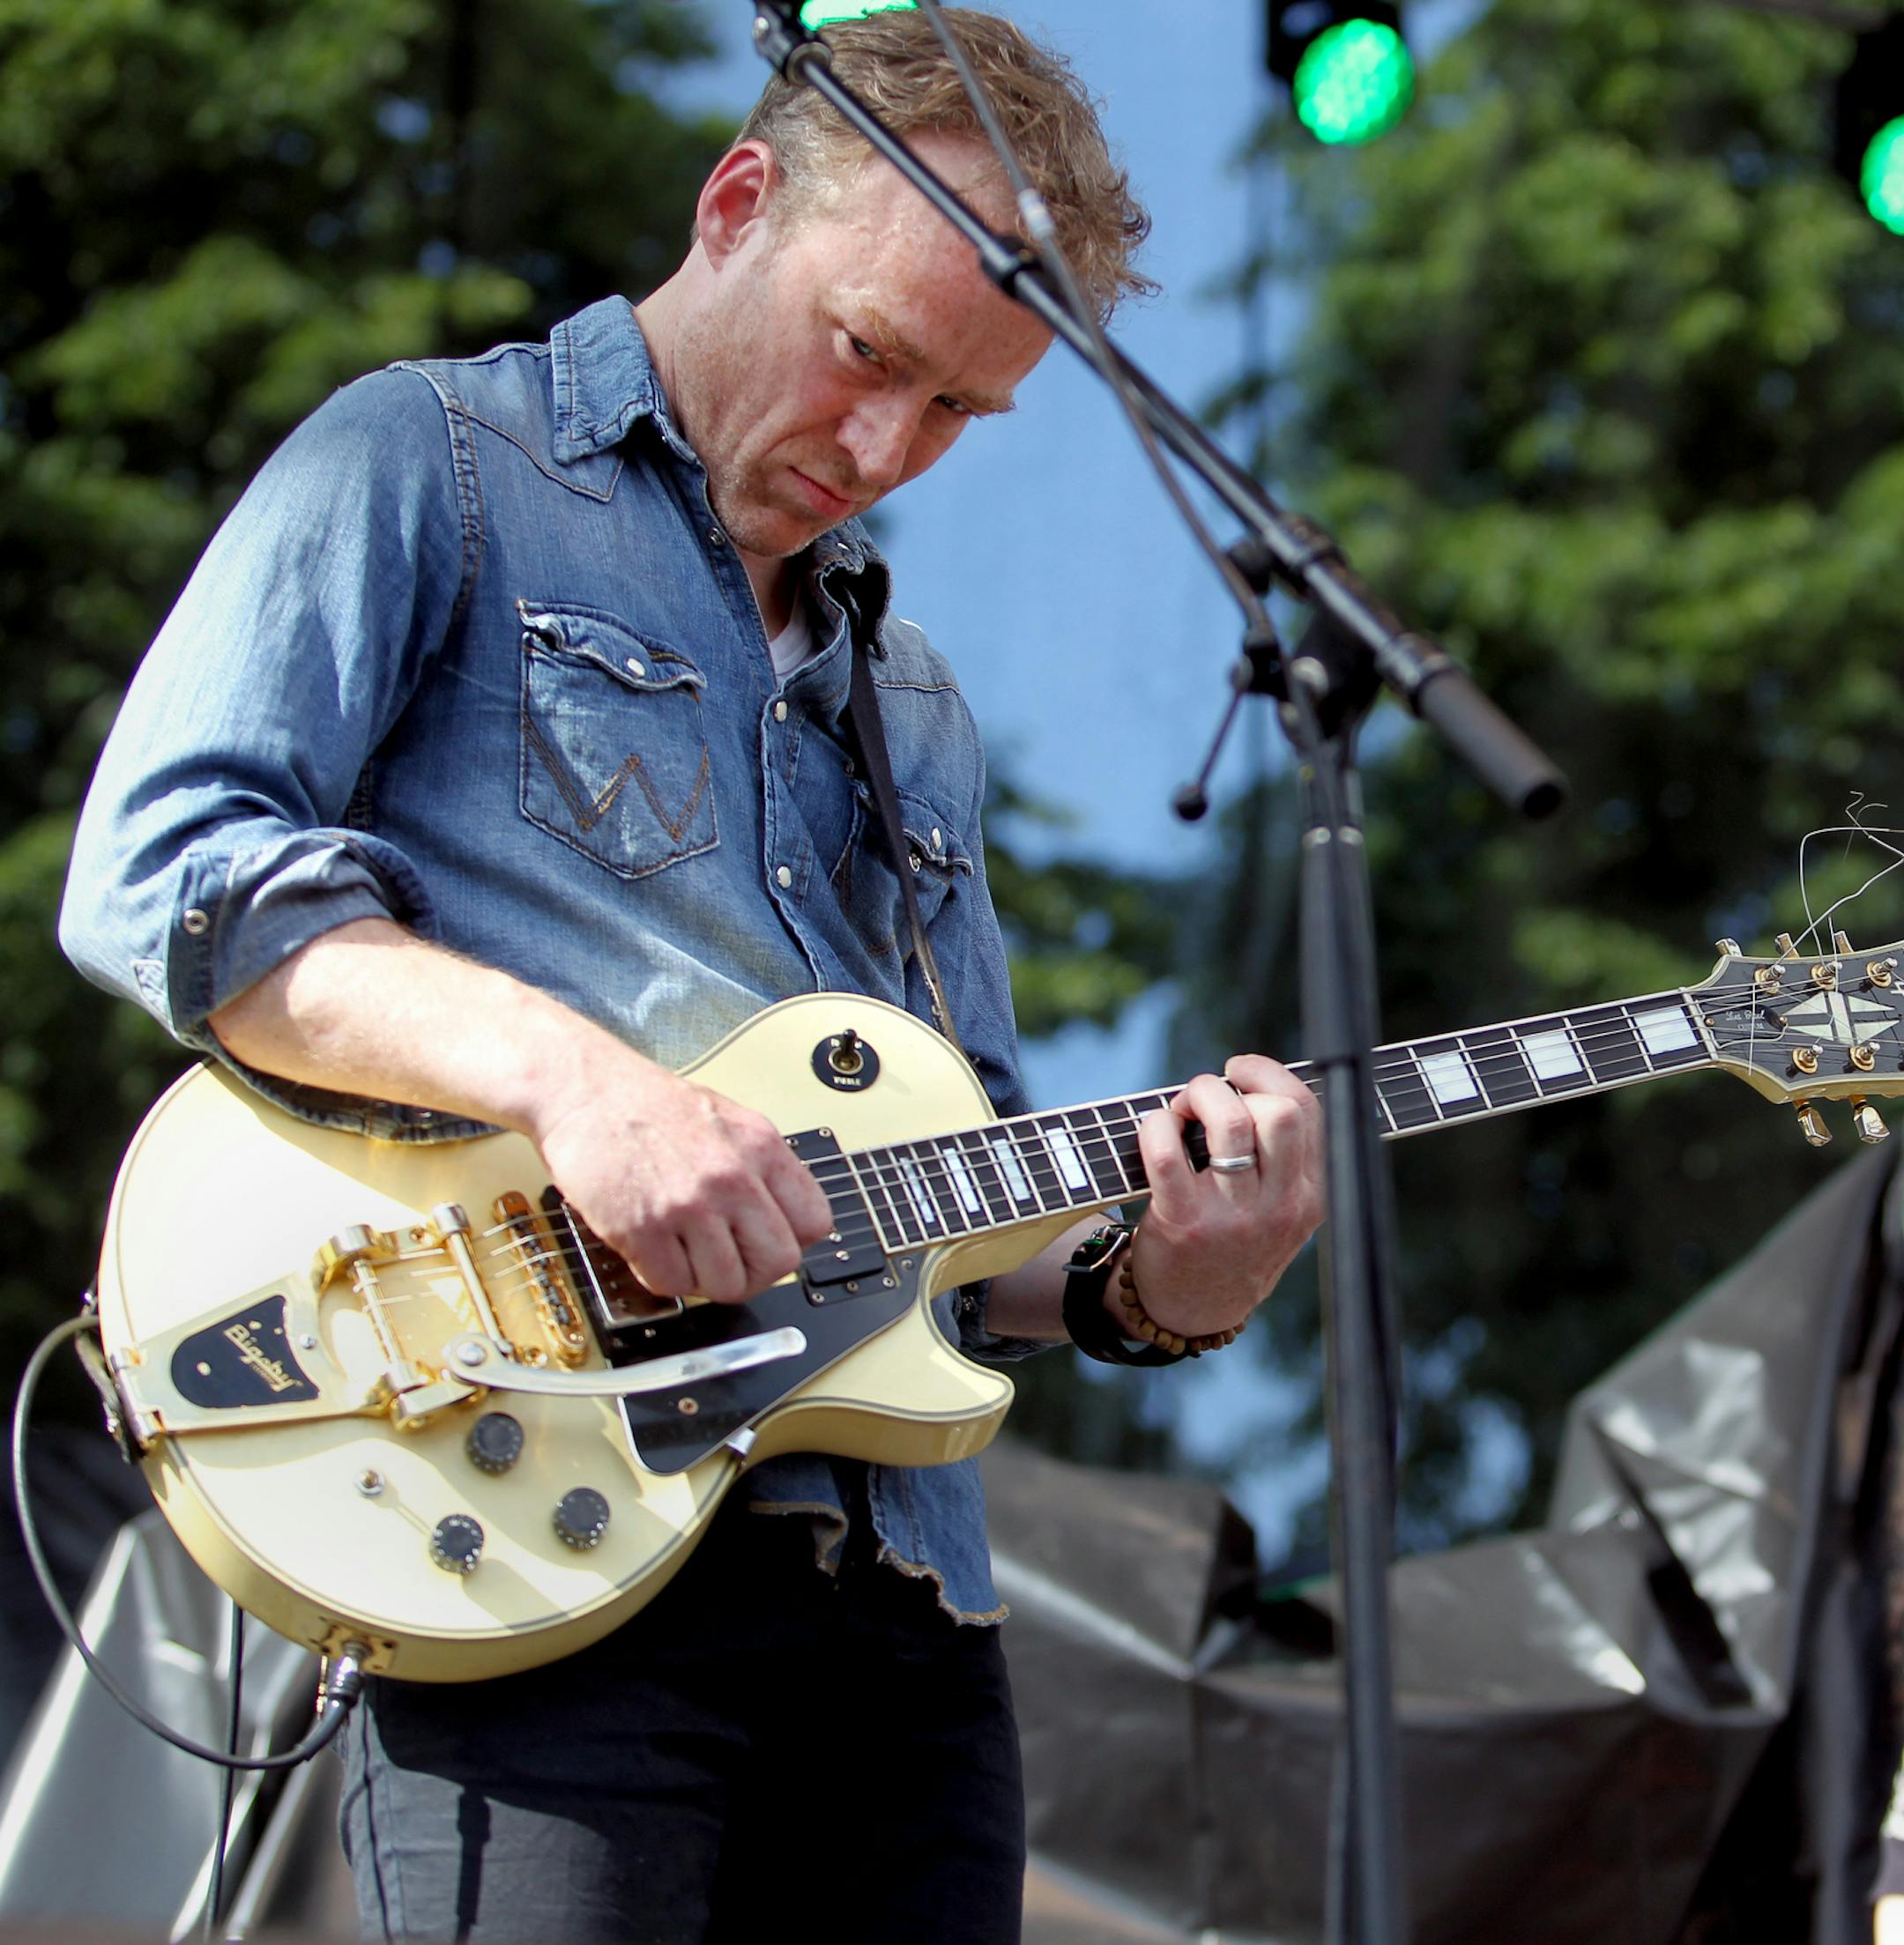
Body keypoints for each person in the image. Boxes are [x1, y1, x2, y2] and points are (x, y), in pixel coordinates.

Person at [59, 9, 1324, 1941]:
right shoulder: (439, 462)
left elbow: (970, 1191)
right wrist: (585, 1088)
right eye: (870, 358)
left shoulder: (914, 707)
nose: (887, 452)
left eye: (961, 417)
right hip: (520, 1523)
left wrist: (1166, 1280)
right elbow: (169, 867)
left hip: (906, 1615)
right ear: (737, 203)